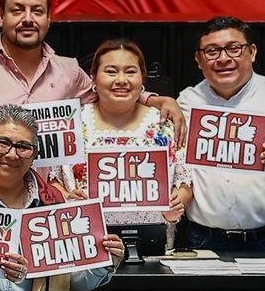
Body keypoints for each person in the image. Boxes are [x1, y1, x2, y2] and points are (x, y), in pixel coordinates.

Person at [0, 0, 186, 140]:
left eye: (37, 11)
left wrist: (159, 101)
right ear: (0, 17)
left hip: (56, 193)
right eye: (17, 10)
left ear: (48, 19)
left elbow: (106, 91)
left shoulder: (68, 71)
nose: (28, 19)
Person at [0, 105, 123, 291]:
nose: (12, 154)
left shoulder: (53, 204)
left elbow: (70, 282)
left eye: (23, 147)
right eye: (2, 143)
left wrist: (104, 260)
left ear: (34, 155)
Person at [175, 16, 265, 254]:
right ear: (198, 59)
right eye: (212, 51)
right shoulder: (186, 102)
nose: (223, 58)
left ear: (252, 52)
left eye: (234, 48)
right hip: (202, 238)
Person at [61, 38, 193, 230]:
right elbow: (53, 180)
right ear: (93, 78)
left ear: (142, 79)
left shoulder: (165, 123)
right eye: (111, 72)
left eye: (130, 72)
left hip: (153, 237)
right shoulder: (71, 124)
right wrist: (66, 197)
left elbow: (185, 181)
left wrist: (176, 204)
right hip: (86, 238)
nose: (121, 80)